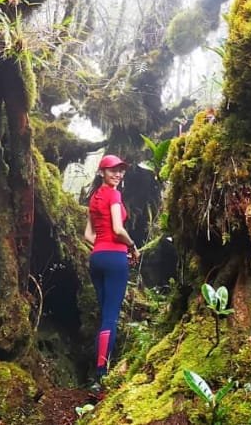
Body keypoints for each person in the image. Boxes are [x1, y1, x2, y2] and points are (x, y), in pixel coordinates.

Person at [83, 154, 139, 390]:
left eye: (120, 171)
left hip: (97, 258)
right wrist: (132, 246)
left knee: (105, 315)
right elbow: (118, 229)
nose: (117, 174)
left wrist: (101, 246)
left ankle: (97, 371)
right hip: (115, 258)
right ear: (101, 173)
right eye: (112, 170)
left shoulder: (94, 198)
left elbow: (87, 235)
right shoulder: (114, 195)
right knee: (110, 318)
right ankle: (100, 375)